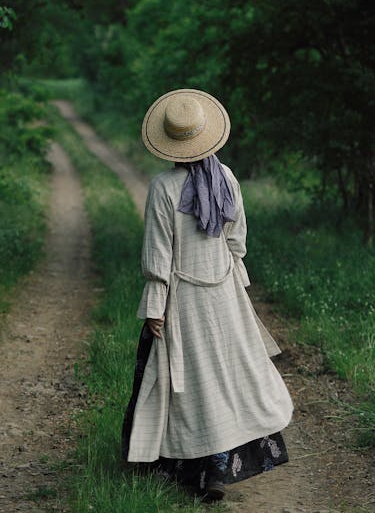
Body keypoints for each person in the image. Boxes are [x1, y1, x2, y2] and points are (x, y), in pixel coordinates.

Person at [121, 88, 293, 504]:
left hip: (182, 298)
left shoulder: (164, 187)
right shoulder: (226, 178)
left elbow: (158, 255)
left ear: (169, 144)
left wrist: (155, 307)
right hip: (224, 294)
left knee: (188, 380)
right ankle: (221, 466)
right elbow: (238, 243)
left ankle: (186, 469)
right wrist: (232, 287)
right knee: (227, 375)